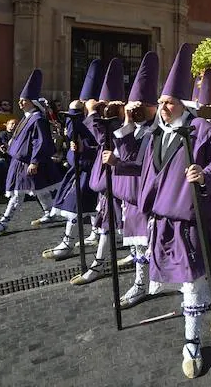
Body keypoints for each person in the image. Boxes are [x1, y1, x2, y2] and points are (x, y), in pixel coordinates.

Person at [131, 44, 211, 379]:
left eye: (168, 102)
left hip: (191, 221)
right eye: (160, 103)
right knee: (191, 281)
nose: (162, 108)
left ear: (182, 104)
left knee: (191, 283)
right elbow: (147, 170)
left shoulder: (201, 130)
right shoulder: (158, 133)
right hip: (162, 222)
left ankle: (192, 342)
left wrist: (205, 175)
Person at [102, 52, 160, 310]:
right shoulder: (132, 128)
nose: (136, 110)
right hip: (131, 197)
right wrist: (126, 121)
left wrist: (118, 163)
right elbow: (124, 152)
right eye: (132, 105)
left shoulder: (158, 131)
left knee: (157, 245)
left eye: (141, 106)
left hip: (152, 197)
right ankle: (139, 283)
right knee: (137, 244)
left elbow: (140, 164)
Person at [0, 70, 62, 233]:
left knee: (18, 193)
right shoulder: (26, 117)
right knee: (40, 189)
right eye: (20, 101)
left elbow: (41, 141)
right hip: (20, 161)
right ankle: (49, 213)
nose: (20, 103)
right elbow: (21, 140)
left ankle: (4, 222)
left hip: (29, 162)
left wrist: (34, 161)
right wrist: (9, 148)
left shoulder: (38, 119)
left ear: (32, 102)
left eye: (23, 101)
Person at [70, 59, 127, 284]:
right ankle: (102, 261)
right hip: (105, 181)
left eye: (107, 105)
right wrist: (84, 147)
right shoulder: (106, 122)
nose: (104, 109)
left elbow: (107, 139)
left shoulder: (121, 122)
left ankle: (100, 263)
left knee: (115, 223)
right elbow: (100, 145)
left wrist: (93, 115)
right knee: (107, 222)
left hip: (121, 181)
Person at [40, 59, 102, 261]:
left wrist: (86, 149)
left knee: (78, 205)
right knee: (88, 204)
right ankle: (93, 232)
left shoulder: (99, 122)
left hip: (92, 171)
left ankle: (68, 243)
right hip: (81, 169)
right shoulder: (81, 120)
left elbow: (103, 147)